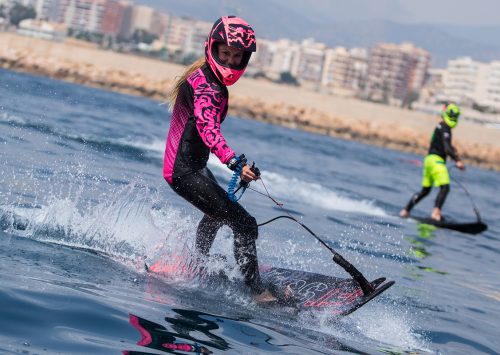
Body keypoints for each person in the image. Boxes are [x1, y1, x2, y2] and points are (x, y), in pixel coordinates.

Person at [163, 16, 276, 303]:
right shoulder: (208, 88)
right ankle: (257, 293)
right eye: (225, 53)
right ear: (212, 48)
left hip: (191, 167)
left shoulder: (205, 77)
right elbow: (207, 128)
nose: (229, 60)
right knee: (245, 224)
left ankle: (195, 265)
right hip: (183, 171)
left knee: (216, 214)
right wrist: (235, 163)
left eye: (236, 56)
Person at [400, 103, 465, 221]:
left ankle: (405, 211)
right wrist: (458, 161)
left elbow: (442, 144)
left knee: (425, 191)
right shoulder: (446, 129)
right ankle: (436, 214)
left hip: (428, 160)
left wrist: (452, 149)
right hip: (437, 161)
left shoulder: (440, 126)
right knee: (445, 188)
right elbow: (446, 148)